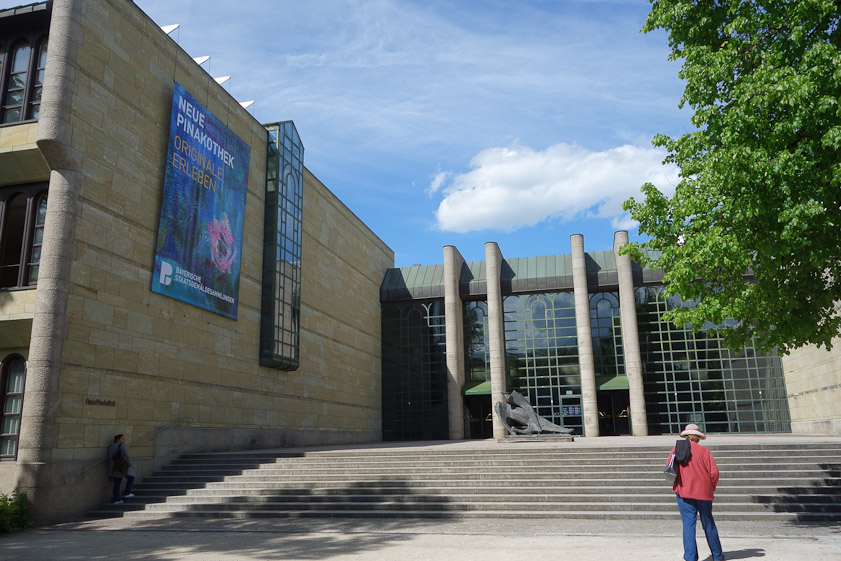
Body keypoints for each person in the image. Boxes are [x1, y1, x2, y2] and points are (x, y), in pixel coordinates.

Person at [668, 423, 724, 561]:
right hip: (703, 492)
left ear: (685, 436)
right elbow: (714, 473)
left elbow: (669, 468)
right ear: (698, 437)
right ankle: (717, 555)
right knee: (708, 522)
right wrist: (711, 487)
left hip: (684, 490)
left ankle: (690, 557)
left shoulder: (677, 449)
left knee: (688, 524)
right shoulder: (705, 451)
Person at [108, 434, 135, 505]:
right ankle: (127, 492)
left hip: (113, 467)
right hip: (121, 466)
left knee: (117, 483)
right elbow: (127, 455)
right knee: (131, 477)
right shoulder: (121, 445)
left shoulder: (111, 446)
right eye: (122, 438)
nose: (124, 440)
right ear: (118, 439)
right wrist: (130, 465)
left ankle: (116, 500)